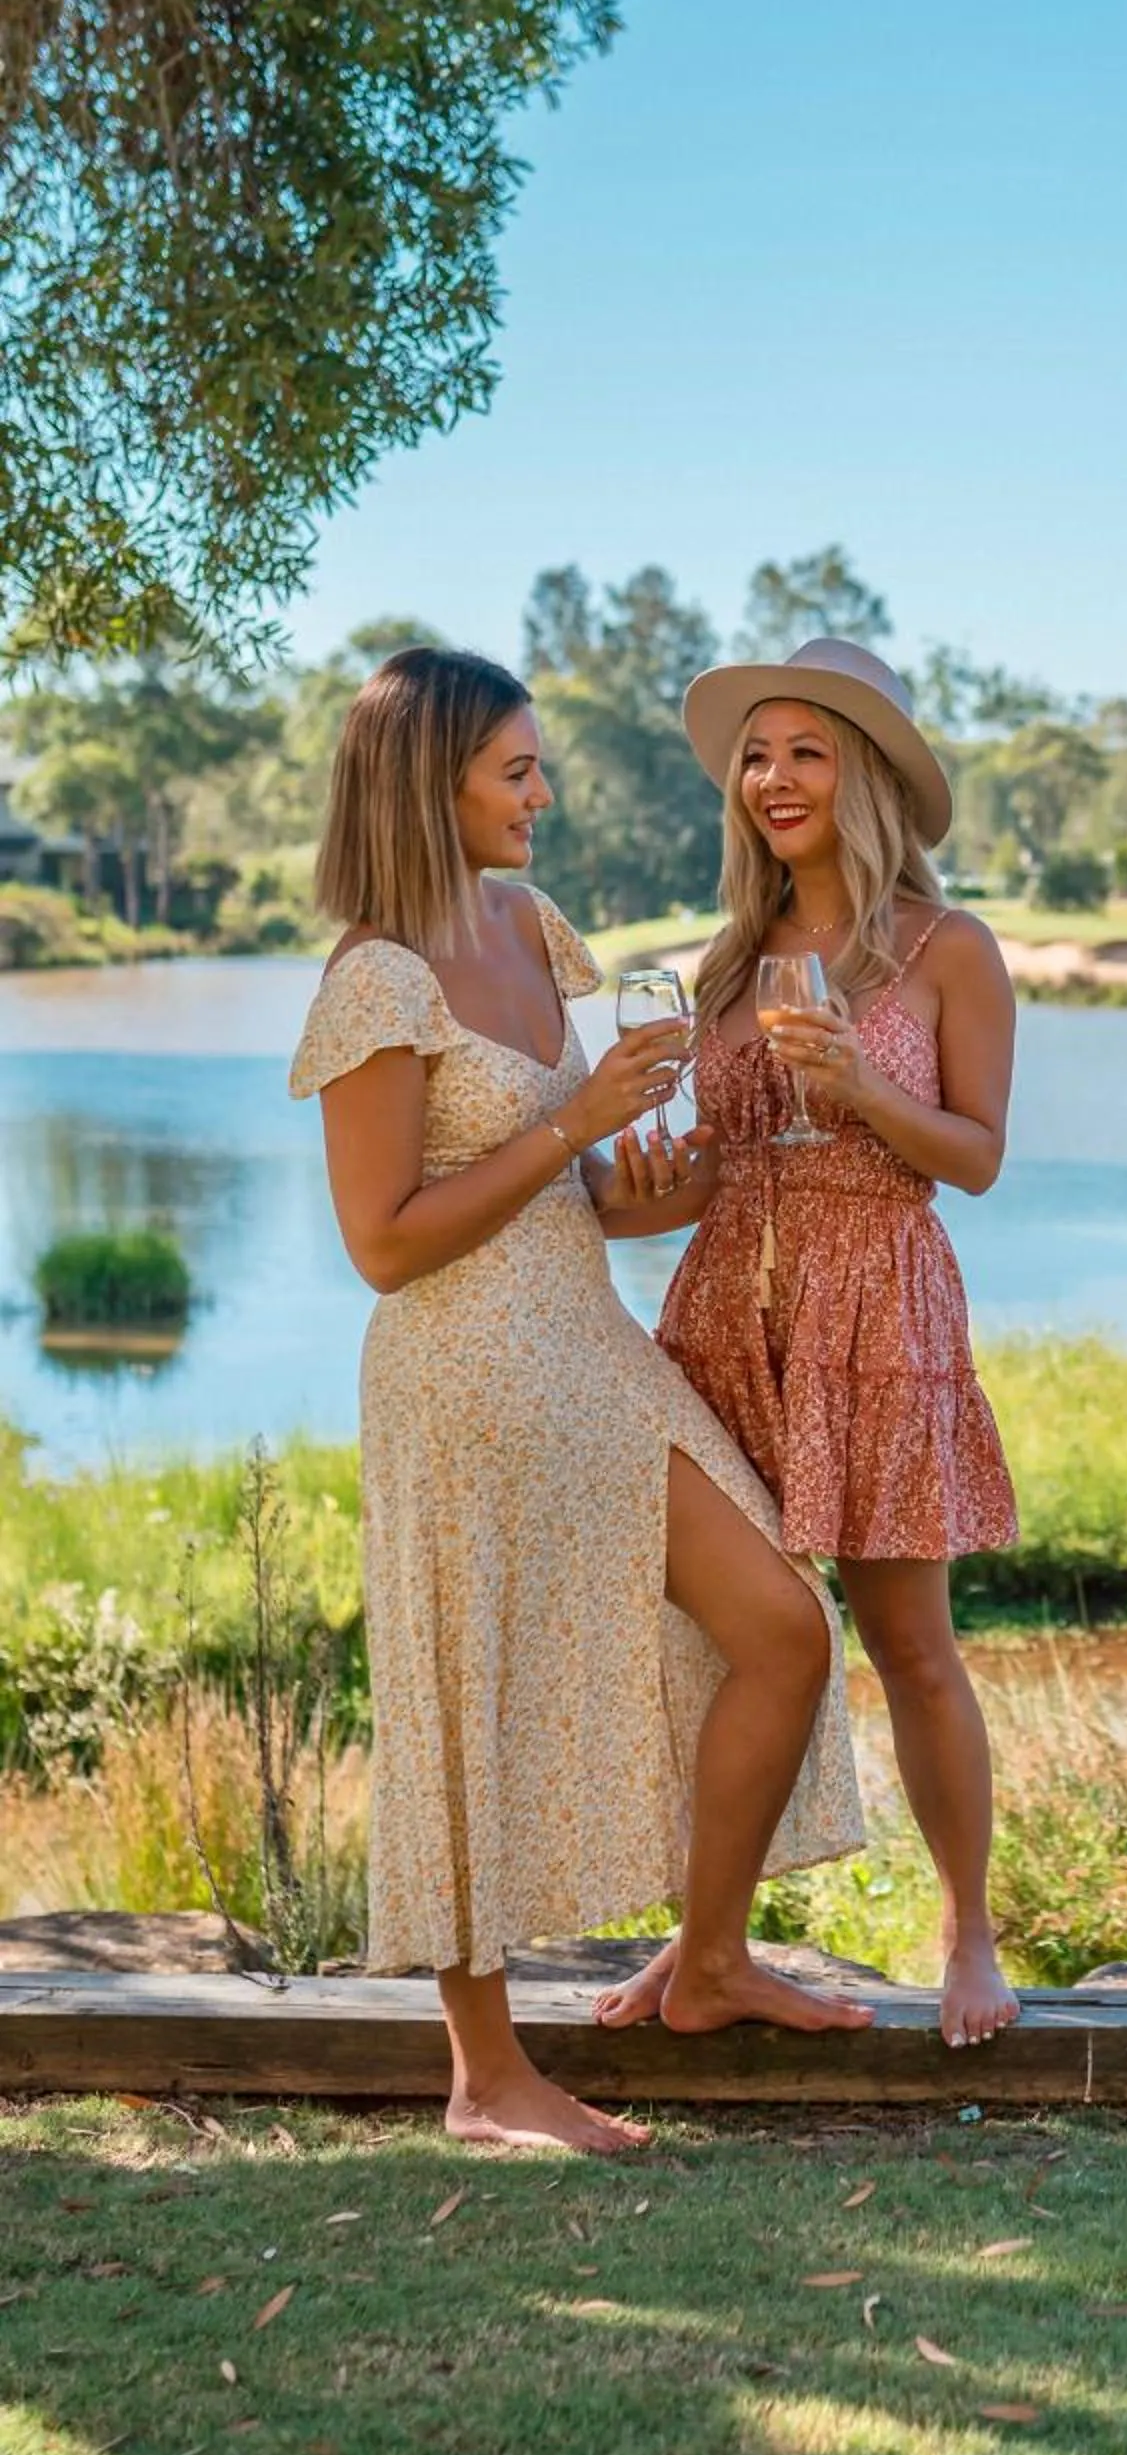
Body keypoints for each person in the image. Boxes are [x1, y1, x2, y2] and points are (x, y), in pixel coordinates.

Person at [288, 647, 872, 2156]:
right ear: (433, 785)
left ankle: (711, 1961)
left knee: (782, 1627)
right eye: (516, 770)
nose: (543, 792)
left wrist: (662, 1180)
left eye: (537, 765)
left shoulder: (528, 923)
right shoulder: (376, 979)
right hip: (459, 1380)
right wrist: (576, 1131)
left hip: (588, 1349)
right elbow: (384, 1244)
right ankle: (485, 2078)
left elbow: (582, 1192)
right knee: (465, 1688)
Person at [591, 638, 1021, 2050]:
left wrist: (861, 1088)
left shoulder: (948, 951)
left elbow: (975, 1157)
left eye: (806, 753)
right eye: (756, 757)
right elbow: (722, 1168)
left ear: (869, 775)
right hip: (726, 1311)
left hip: (877, 1307)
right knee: (735, 1645)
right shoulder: (726, 962)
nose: (772, 779)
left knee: (910, 1645)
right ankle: (706, 1944)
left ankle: (969, 1932)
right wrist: (633, 1192)